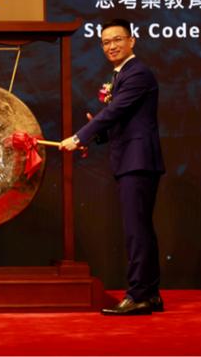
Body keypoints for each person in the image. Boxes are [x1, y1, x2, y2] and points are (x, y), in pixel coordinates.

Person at [60, 18, 165, 315]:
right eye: (106, 42)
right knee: (140, 229)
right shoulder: (120, 76)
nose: (111, 46)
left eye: (117, 39)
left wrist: (80, 136)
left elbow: (116, 111)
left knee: (136, 231)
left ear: (132, 40)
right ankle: (150, 294)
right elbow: (120, 119)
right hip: (131, 159)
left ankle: (138, 295)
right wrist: (96, 135)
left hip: (137, 160)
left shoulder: (137, 73)